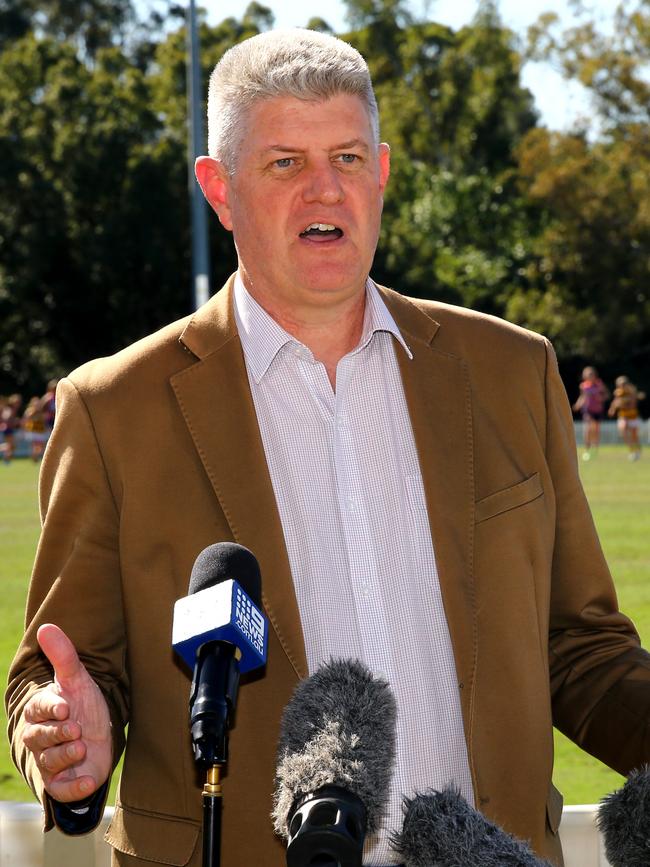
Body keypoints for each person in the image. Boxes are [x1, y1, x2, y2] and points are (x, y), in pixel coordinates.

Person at [6, 29, 650, 867]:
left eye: (347, 157)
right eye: (284, 163)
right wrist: (64, 741)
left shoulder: (511, 369)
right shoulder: (113, 408)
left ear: (381, 172)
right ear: (219, 187)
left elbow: (581, 649)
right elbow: (60, 674)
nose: (325, 188)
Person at [572, 366, 609, 460]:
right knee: (588, 429)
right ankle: (587, 450)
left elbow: (606, 395)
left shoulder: (599, 384)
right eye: (588, 375)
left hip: (598, 410)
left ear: (595, 375)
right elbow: (582, 397)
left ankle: (595, 450)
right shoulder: (584, 386)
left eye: (591, 374)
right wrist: (578, 404)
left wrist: (601, 398)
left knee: (596, 430)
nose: (590, 376)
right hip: (588, 410)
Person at [608, 375, 646, 461]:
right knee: (623, 429)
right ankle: (632, 450)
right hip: (623, 415)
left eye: (624, 384)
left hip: (633, 416)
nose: (622, 386)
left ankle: (638, 450)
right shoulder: (618, 392)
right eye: (620, 384)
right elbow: (616, 401)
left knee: (634, 436)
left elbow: (632, 402)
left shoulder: (632, 392)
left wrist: (625, 400)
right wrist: (612, 409)